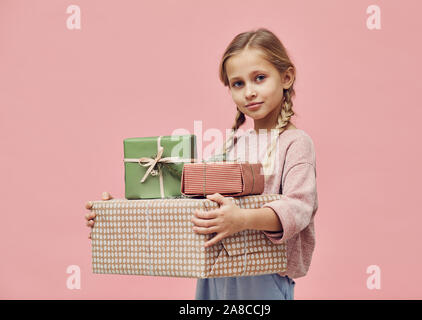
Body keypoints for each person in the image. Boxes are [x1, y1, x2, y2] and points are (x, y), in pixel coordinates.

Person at [85, 28, 318, 300]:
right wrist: (117, 214)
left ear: (286, 77)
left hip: (264, 277)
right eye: (238, 84)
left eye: (260, 78)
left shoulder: (295, 143)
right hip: (216, 272)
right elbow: (188, 195)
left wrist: (242, 219)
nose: (249, 92)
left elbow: (299, 207)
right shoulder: (233, 145)